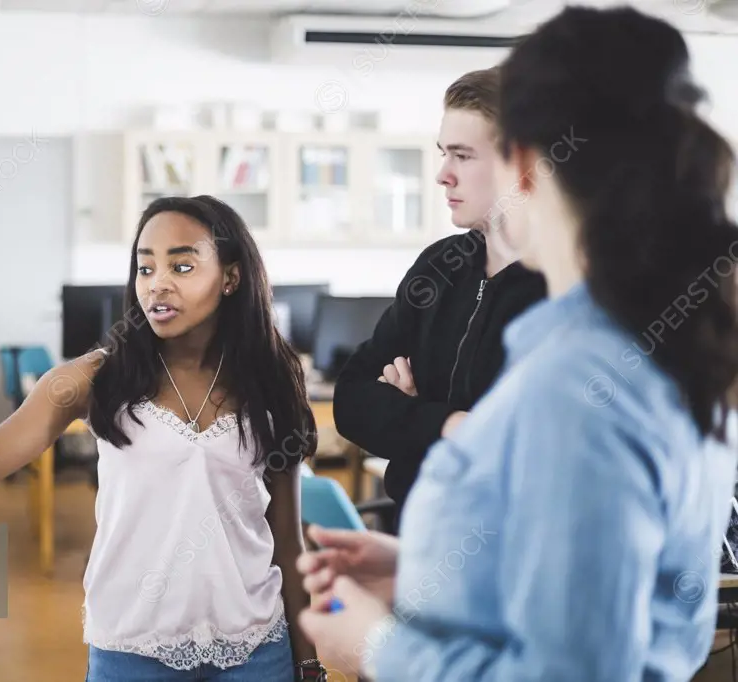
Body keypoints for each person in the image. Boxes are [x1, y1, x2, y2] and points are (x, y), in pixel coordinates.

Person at [296, 6, 738, 681]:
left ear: (522, 161)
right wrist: (419, 571)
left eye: (466, 153)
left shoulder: (577, 383)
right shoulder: (656, 339)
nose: (443, 173)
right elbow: (572, 585)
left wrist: (374, 646)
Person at [0, 195, 328, 681]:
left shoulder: (268, 381)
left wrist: (308, 660)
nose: (158, 285)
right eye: (144, 269)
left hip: (255, 648)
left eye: (183, 266)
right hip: (132, 650)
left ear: (230, 278)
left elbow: (286, 540)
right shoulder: (92, 379)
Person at [332, 66, 547, 532]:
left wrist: (408, 417)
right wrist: (449, 424)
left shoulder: (566, 287)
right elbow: (351, 400)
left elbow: (525, 450)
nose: (442, 176)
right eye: (443, 153)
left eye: (463, 156)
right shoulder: (438, 266)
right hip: (416, 546)